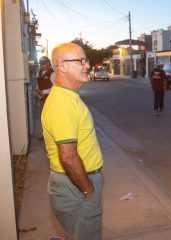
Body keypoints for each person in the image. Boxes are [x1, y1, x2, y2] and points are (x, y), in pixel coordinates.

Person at [41, 43, 104, 240]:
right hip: (75, 183)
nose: (87, 65)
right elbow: (67, 156)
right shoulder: (62, 103)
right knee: (84, 234)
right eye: (81, 61)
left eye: (86, 60)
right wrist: (88, 188)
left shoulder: (68, 97)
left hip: (75, 181)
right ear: (62, 66)